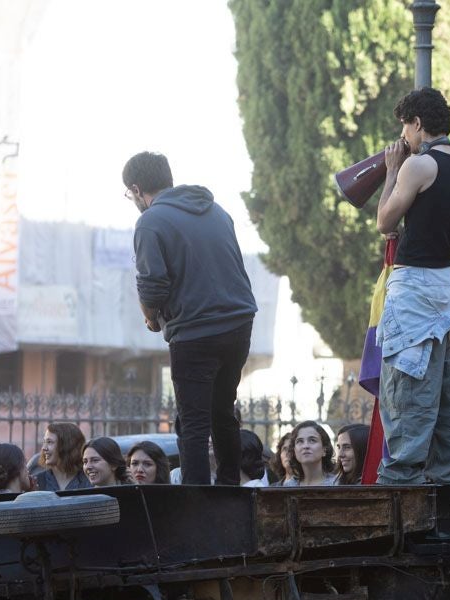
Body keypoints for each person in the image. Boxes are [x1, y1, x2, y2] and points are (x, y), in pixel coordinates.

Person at [124, 151, 258, 486]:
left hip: (195, 330)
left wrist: (151, 318)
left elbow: (152, 285)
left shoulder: (150, 221)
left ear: (137, 189)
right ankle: (230, 489)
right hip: (239, 322)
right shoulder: (217, 211)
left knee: (193, 423)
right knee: (222, 411)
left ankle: (197, 501)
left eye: (130, 194)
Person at [374, 87, 450, 485]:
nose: (403, 137)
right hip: (446, 289)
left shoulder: (417, 166)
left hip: (413, 289)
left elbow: (384, 222)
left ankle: (399, 497)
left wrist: (392, 171)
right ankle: (449, 494)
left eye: (405, 127)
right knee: (448, 397)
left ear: (418, 124)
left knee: (407, 401)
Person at [36, 422, 92, 492]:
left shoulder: (90, 479)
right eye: (44, 442)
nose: (44, 448)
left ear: (67, 446)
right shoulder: (38, 482)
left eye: (49, 442)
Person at [282, 421, 339, 487]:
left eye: (312, 440)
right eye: (300, 441)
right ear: (294, 450)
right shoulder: (289, 486)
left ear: (324, 450)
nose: (305, 446)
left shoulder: (337, 485)